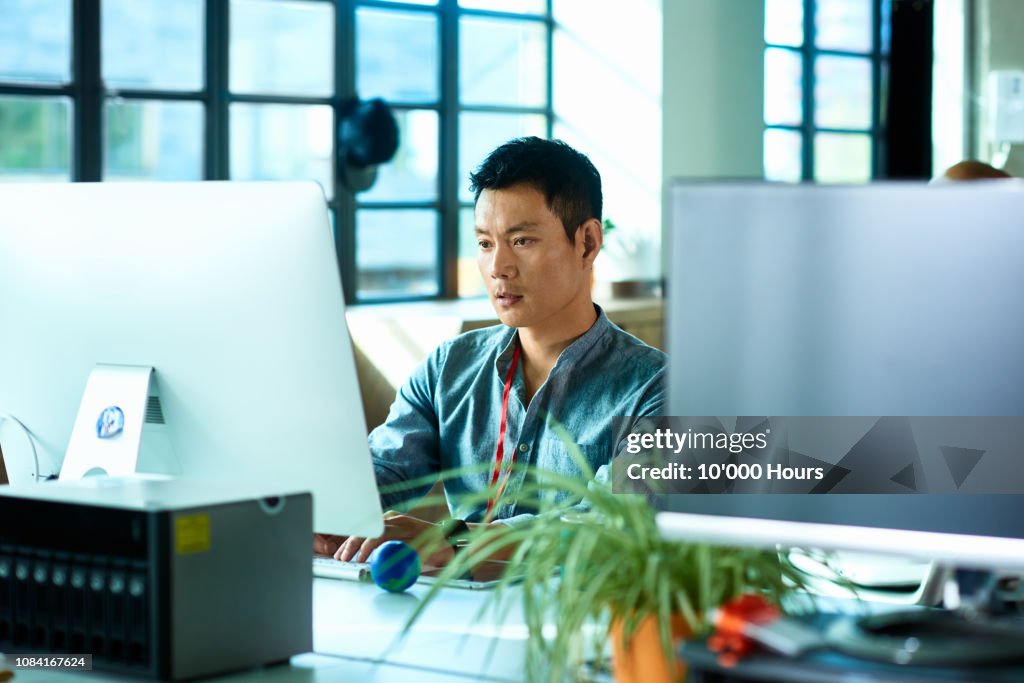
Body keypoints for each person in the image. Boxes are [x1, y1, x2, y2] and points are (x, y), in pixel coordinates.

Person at [316, 137, 666, 567]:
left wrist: (454, 538)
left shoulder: (659, 389)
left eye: (521, 241)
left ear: (588, 243)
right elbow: (380, 472)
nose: (499, 267)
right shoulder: (449, 368)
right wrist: (317, 510)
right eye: (485, 243)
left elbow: (609, 524)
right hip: (448, 618)